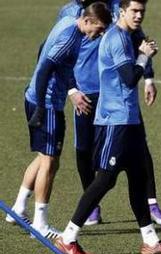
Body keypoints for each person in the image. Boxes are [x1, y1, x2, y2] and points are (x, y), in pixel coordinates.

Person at [55, 0, 161, 254]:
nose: (139, 16)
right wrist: (145, 55)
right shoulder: (116, 39)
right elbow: (127, 79)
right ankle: (68, 237)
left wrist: (145, 64)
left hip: (131, 119)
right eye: (134, 11)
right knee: (105, 178)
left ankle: (150, 241)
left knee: (138, 178)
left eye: (142, 12)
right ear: (122, 11)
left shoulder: (127, 36)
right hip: (116, 120)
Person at [6, 3, 111, 239]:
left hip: (36, 96)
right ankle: (40, 224)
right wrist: (43, 108)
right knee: (51, 163)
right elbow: (44, 69)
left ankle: (18, 209)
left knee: (44, 156)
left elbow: (43, 49)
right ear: (88, 21)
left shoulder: (66, 22)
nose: (101, 34)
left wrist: (71, 89)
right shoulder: (71, 38)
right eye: (100, 28)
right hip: (48, 104)